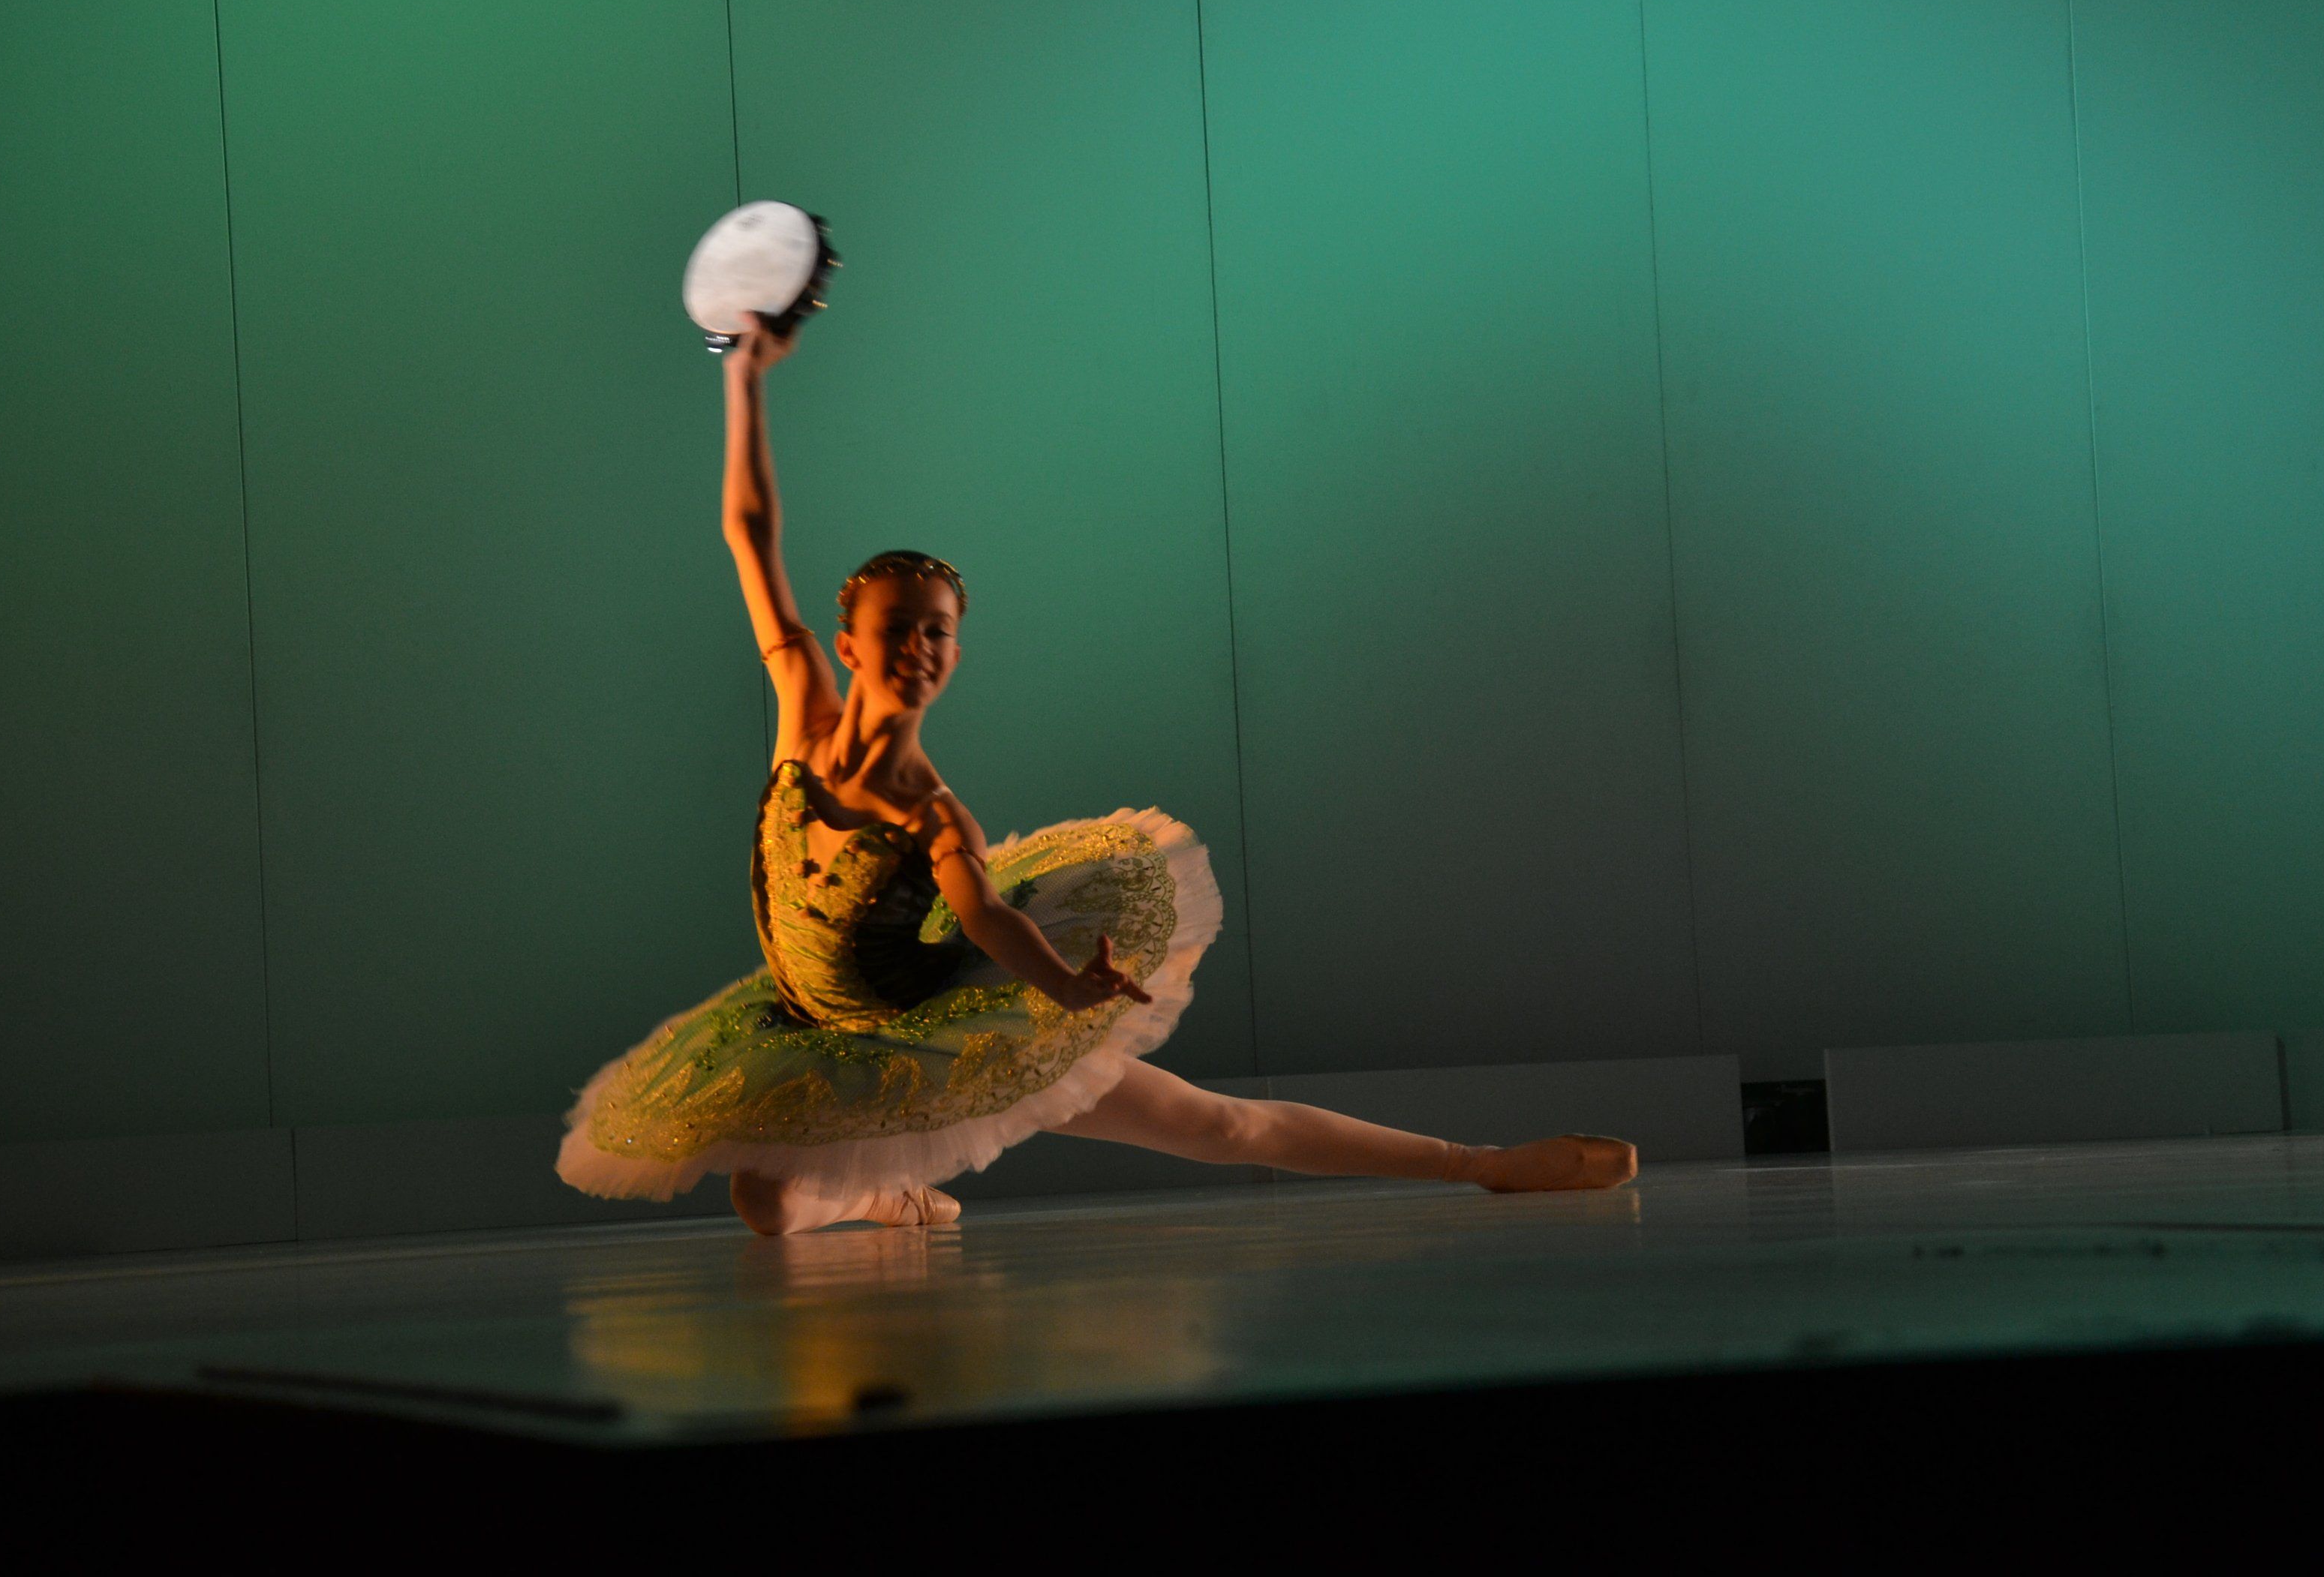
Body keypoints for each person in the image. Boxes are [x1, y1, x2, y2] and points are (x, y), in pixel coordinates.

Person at [558, 313, 1637, 1234]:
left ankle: (1483, 1162)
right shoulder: (801, 707)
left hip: (946, 1036)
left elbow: (985, 918)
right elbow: (749, 532)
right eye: (897, 629)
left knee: (1216, 1127)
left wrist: (1067, 988)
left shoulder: (932, 811)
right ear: (848, 643)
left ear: (955, 653)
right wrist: (744, 378)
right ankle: (892, 1197)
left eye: (938, 632)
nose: (918, 649)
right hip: (812, 1032)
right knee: (763, 1203)